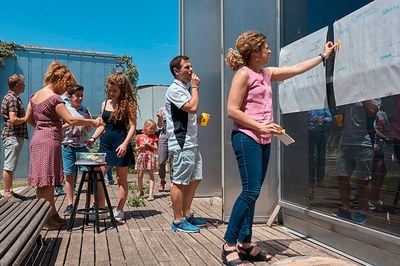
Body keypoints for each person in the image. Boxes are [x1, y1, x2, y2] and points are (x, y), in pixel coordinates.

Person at [223, 31, 335, 266]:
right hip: (246, 138)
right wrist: (261, 126)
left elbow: (297, 68)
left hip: (263, 139)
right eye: (266, 48)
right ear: (255, 53)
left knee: (253, 192)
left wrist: (323, 56)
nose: (270, 51)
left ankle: (245, 244)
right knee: (250, 192)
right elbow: (232, 111)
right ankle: (229, 244)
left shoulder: (266, 73)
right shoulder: (243, 75)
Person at [24, 61, 101, 230]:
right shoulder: (54, 98)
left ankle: (51, 215)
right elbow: (71, 120)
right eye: (65, 86)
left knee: (47, 180)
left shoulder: (35, 96)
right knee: (46, 181)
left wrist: (41, 127)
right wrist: (91, 121)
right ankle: (44, 219)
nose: (64, 91)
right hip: (49, 141)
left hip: (38, 139)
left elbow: (28, 117)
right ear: (58, 80)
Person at [87, 72, 136, 222]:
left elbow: (133, 126)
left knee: (121, 179)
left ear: (122, 89)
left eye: (114, 90)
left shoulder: (129, 103)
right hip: (105, 144)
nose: (111, 93)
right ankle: (99, 207)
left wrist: (125, 144)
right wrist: (93, 138)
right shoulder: (105, 103)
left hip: (121, 144)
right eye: (109, 90)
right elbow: (102, 124)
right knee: (97, 175)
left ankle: (119, 209)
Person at [166, 55, 207, 233]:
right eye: (187, 68)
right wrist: (196, 88)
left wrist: (196, 120)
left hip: (191, 141)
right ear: (176, 71)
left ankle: (187, 214)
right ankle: (177, 220)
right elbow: (192, 107)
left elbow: (188, 112)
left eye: (191, 67)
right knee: (179, 182)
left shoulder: (184, 89)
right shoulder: (174, 89)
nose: (191, 70)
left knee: (195, 178)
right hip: (181, 142)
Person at [335, 100, 380, 224]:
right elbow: (342, 115)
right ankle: (345, 209)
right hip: (345, 141)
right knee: (342, 176)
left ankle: (361, 211)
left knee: (363, 179)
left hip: (364, 142)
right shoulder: (347, 94)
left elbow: (372, 111)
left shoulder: (372, 92)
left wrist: (362, 95)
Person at [61, 85, 93, 215]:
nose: (79, 98)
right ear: (70, 96)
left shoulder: (85, 110)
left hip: (82, 146)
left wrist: (86, 125)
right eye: (77, 95)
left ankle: (91, 203)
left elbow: (89, 126)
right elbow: (60, 128)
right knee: (69, 175)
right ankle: (70, 204)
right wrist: (72, 122)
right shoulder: (64, 110)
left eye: (81, 95)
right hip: (68, 147)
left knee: (88, 174)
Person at [1, 74, 28, 200]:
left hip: (13, 136)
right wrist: (26, 118)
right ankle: (7, 193)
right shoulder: (12, 98)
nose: (24, 85)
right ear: (17, 85)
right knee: (9, 165)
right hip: (12, 135)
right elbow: (13, 119)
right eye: (23, 83)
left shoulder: (13, 97)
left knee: (11, 165)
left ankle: (10, 190)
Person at [369, 107, 390, 210]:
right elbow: (372, 129)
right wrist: (384, 138)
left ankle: (374, 196)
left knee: (381, 171)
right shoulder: (369, 111)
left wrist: (386, 129)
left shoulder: (383, 114)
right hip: (373, 144)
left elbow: (386, 127)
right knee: (375, 172)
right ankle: (372, 198)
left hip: (381, 145)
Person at [134, 119, 159, 201]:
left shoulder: (154, 137)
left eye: (153, 129)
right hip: (142, 156)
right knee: (140, 175)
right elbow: (136, 148)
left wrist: (149, 145)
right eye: (150, 128)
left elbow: (156, 148)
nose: (152, 130)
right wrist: (140, 148)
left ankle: (151, 193)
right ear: (146, 127)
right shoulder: (139, 137)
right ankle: (140, 191)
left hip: (150, 157)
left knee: (151, 175)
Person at [308, 108, 332, 188]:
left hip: (321, 132)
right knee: (310, 157)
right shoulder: (307, 104)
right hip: (309, 132)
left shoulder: (323, 105)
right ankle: (310, 180)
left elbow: (330, 118)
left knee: (321, 157)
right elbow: (301, 117)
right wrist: (311, 120)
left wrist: (322, 119)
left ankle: (320, 180)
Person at [156, 106, 168, 191]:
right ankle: (162, 180)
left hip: (175, 137)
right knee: (161, 161)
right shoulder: (162, 109)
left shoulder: (179, 107)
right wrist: (160, 117)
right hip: (164, 136)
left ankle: (175, 183)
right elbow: (159, 126)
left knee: (175, 161)